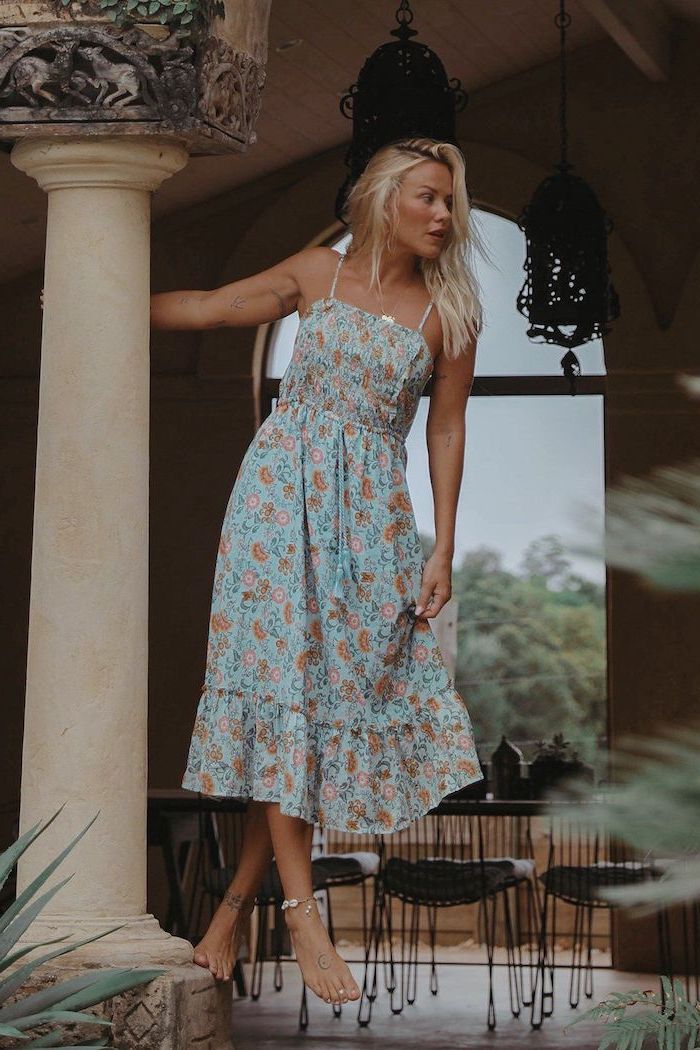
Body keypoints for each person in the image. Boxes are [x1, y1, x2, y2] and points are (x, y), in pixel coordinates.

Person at [150, 136, 484, 1008]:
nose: (445, 216)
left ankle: (231, 910)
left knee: (322, 715)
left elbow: (445, 430)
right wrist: (91, 294)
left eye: (451, 202)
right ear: (383, 198)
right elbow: (213, 307)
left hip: (372, 522)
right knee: (281, 695)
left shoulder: (448, 316)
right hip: (274, 503)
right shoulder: (313, 273)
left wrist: (442, 544)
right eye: (428, 197)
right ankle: (300, 912)